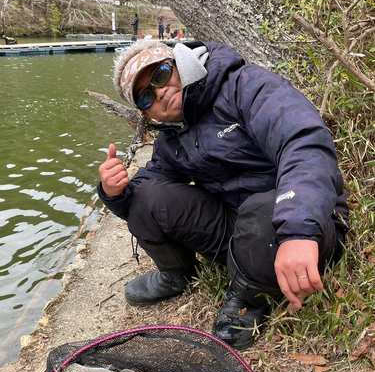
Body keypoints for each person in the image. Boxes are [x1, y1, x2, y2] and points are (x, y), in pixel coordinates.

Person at [98, 40, 349, 350]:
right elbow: (148, 189)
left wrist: (299, 230)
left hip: (304, 222)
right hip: (241, 225)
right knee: (145, 196)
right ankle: (177, 274)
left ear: (180, 62)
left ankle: (249, 297)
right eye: (147, 96)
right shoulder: (171, 136)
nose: (160, 92)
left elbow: (303, 141)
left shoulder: (245, 85)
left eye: (161, 75)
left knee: (261, 212)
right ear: (146, 114)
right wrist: (114, 191)